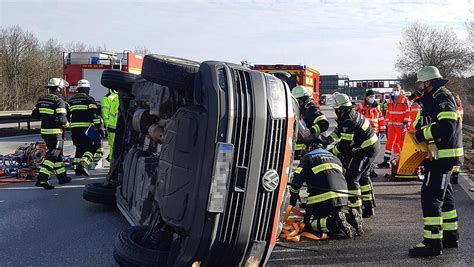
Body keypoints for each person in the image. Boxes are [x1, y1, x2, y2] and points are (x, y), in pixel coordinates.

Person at [408, 66, 462, 257]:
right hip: (441, 157)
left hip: (441, 158)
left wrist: (423, 133)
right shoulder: (436, 97)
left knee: (431, 198)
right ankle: (450, 237)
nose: (419, 86)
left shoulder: (442, 98)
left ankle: (431, 244)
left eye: (421, 83)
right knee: (445, 198)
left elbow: (447, 127)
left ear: (429, 82)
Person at [289, 142, 363, 238]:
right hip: (343, 197)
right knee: (335, 214)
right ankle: (351, 218)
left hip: (322, 198)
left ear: (309, 148)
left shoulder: (308, 158)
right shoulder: (335, 157)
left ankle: (334, 223)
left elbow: (297, 180)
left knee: (309, 223)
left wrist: (293, 198)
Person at [327, 93, 380, 218]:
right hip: (370, 147)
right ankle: (368, 207)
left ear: (339, 108)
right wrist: (326, 140)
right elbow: (339, 132)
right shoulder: (349, 115)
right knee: (363, 177)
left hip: (366, 150)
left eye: (335, 109)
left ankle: (355, 210)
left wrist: (330, 153)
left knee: (352, 178)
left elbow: (344, 145)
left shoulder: (348, 120)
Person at [32, 78, 71, 189]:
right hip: (56, 133)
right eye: (62, 89)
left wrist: (46, 117)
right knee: (53, 155)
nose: (63, 91)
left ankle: (62, 178)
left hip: (45, 132)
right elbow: (62, 119)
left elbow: (35, 115)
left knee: (57, 156)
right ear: (58, 88)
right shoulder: (59, 101)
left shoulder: (41, 100)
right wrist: (68, 126)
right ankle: (42, 179)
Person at [68, 79, 102, 176]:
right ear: (87, 90)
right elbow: (94, 115)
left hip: (74, 129)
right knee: (92, 147)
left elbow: (66, 115)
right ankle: (84, 163)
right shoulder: (89, 100)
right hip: (86, 129)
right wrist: (98, 126)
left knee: (79, 148)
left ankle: (77, 169)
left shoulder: (71, 101)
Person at [377, 84, 411, 168]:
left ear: (400, 90)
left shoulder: (404, 100)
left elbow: (408, 112)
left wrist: (405, 122)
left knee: (400, 143)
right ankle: (386, 161)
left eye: (397, 89)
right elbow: (388, 112)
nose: (395, 91)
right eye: (394, 89)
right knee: (389, 143)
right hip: (391, 125)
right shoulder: (390, 101)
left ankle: (401, 160)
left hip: (400, 125)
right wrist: (386, 122)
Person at [292, 86, 329, 158]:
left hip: (315, 145)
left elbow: (324, 124)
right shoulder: (303, 107)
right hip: (306, 146)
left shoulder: (311, 108)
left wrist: (311, 130)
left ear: (300, 100)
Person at [101, 88, 119, 161]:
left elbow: (105, 114)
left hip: (112, 126)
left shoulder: (106, 98)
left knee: (113, 146)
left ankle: (112, 161)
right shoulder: (120, 97)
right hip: (122, 126)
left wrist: (107, 125)